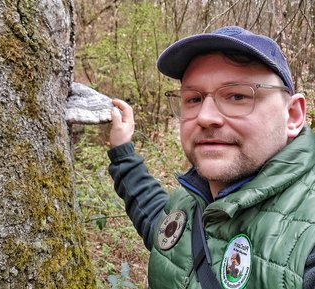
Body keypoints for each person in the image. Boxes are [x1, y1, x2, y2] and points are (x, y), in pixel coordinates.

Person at [106, 26, 315, 289]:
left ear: (293, 115)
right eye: (193, 99)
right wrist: (122, 149)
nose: (205, 117)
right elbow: (167, 235)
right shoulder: (192, 201)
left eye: (237, 96)